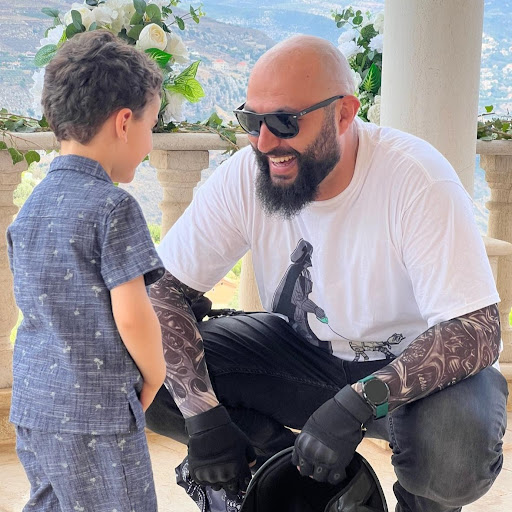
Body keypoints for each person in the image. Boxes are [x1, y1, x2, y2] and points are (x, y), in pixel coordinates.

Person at [146, 35, 509, 512]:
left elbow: (476, 331)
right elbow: (160, 291)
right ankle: (290, 480)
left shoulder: (416, 178)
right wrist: (203, 419)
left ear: (344, 114)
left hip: (412, 377)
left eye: (284, 121)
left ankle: (420, 503)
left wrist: (359, 402)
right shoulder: (246, 174)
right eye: (252, 121)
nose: (264, 142)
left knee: (453, 450)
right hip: (301, 357)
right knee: (134, 362)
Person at [7, 30, 166, 512]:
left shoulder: (29, 210)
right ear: (124, 122)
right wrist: (155, 374)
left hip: (34, 404)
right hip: (97, 411)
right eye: (152, 124)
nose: (151, 142)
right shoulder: (114, 208)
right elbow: (132, 316)